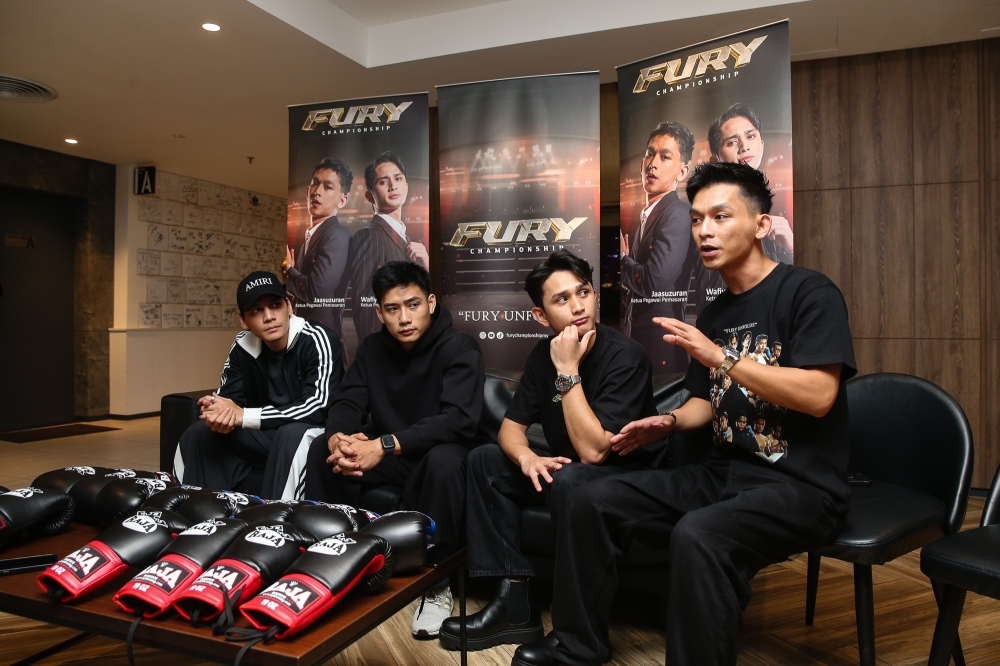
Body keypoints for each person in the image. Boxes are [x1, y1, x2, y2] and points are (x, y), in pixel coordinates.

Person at [515, 161, 855, 666]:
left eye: (720, 216)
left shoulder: (809, 292)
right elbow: (704, 402)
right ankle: (578, 643)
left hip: (799, 486)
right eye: (697, 219)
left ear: (762, 225)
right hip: (720, 474)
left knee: (698, 535)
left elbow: (819, 394)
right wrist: (668, 422)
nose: (704, 231)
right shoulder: (716, 312)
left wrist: (723, 358)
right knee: (587, 494)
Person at [439, 249, 663, 654]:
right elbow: (510, 430)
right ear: (541, 316)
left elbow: (595, 452)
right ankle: (513, 606)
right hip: (569, 476)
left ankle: (578, 634)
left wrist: (567, 371)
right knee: (485, 460)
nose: (578, 307)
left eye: (584, 293)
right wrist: (527, 458)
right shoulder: (544, 355)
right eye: (562, 300)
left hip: (624, 482)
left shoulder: (625, 358)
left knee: (576, 478)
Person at [304, 260, 485, 639]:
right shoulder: (372, 348)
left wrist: (384, 445)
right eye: (392, 308)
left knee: (447, 460)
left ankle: (437, 585)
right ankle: (331, 562)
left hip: (440, 455)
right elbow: (347, 401)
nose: (404, 317)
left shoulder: (460, 347)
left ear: (431, 303)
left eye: (413, 304)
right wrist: (340, 439)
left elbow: (458, 421)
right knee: (323, 449)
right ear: (379, 313)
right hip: (394, 458)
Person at [174, 271, 343, 500]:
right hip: (264, 434)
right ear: (243, 320)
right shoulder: (242, 345)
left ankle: (276, 522)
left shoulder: (317, 338)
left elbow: (317, 407)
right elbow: (229, 403)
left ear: (289, 306)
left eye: (275, 305)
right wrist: (217, 414)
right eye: (257, 310)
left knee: (291, 435)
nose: (269, 317)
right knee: (199, 433)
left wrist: (243, 416)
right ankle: (201, 514)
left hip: (311, 432)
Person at [619, 121, 696, 373]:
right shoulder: (649, 215)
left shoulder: (677, 213)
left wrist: (623, 261)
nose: (652, 163)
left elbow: (654, 281)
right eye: (649, 153)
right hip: (641, 342)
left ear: (682, 172)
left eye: (665, 157)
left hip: (663, 345)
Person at [339, 152, 430, 352]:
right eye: (383, 181)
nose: (393, 185)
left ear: (406, 186)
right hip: (390, 356)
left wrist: (426, 267)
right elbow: (366, 305)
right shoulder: (369, 236)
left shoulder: (404, 237)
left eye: (398, 178)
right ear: (370, 195)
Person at [285, 158, 354, 360]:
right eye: (315, 183)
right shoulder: (310, 236)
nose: (317, 191)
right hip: (304, 341)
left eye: (328, 186)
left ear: (342, 200)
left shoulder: (338, 235)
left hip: (324, 343)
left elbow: (316, 290)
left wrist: (289, 271)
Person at [708, 103, 793, 263]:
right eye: (732, 142)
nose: (744, 146)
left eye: (750, 136)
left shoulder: (771, 203)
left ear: (761, 145)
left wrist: (790, 250)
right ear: (715, 160)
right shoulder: (709, 214)